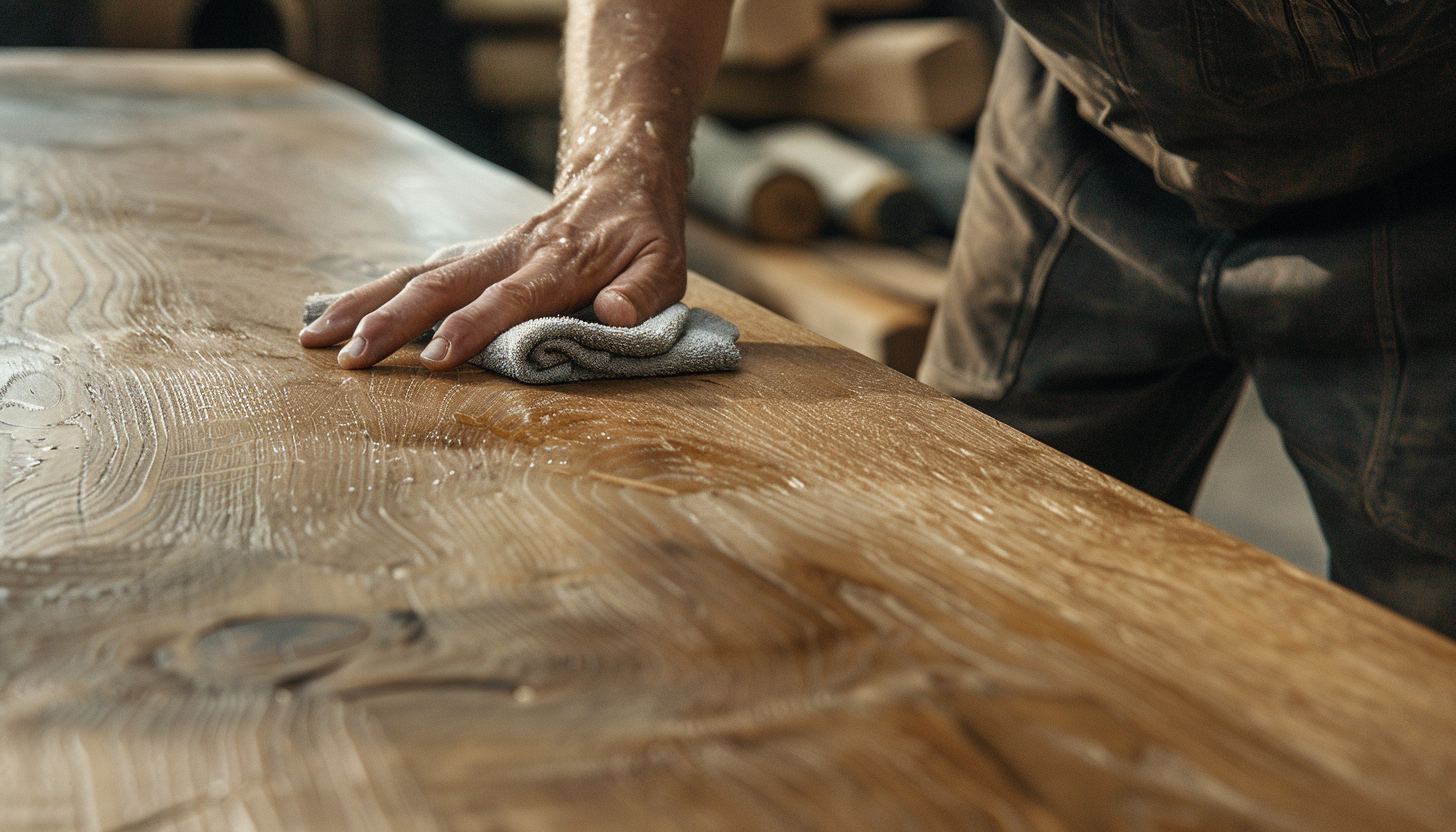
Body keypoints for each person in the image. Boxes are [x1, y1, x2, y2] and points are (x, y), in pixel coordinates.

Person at [300, 1, 1456, 639]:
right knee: (953, 604)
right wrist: (614, 166)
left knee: (1417, 683)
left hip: (1429, 153)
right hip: (1088, 131)